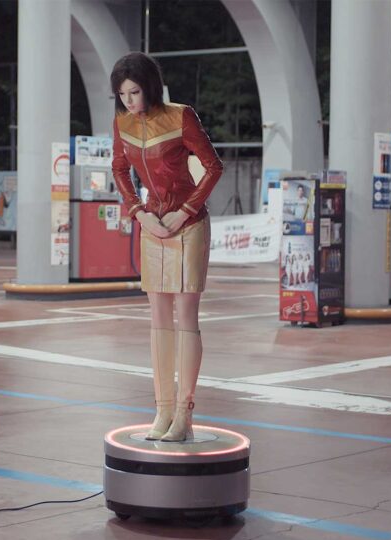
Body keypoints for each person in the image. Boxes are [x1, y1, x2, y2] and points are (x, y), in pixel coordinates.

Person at [111, 52, 223, 442]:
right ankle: (161, 411)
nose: (128, 100)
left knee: (185, 318)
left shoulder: (180, 115)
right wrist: (139, 213)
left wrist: (186, 211)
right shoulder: (122, 122)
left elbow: (213, 166)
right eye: (122, 93)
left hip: (188, 225)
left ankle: (184, 414)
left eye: (135, 91)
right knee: (159, 321)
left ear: (150, 87)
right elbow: (119, 168)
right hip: (152, 225)